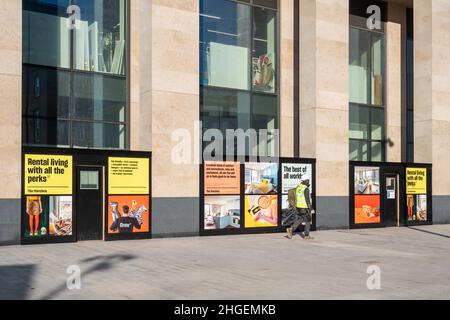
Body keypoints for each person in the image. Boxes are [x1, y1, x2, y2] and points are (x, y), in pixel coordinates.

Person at [286, 175, 315, 240]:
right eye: (307, 180)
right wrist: (311, 208)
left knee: (301, 219)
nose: (308, 182)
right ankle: (306, 235)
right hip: (304, 207)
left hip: (298, 207)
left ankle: (291, 229)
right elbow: (307, 200)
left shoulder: (299, 187)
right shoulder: (305, 189)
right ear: (305, 181)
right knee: (308, 220)